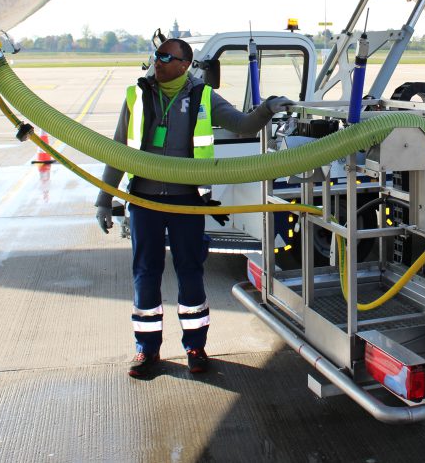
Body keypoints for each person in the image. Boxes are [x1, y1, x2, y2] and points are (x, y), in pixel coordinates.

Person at [95, 38, 292, 379]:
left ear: (184, 65)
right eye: (157, 55)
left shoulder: (203, 96)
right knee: (145, 274)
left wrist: (268, 108)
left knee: (190, 273)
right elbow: (117, 149)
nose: (158, 61)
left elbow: (242, 125)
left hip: (187, 202)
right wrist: (104, 199)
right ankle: (147, 350)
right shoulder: (137, 96)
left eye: (166, 56)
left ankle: (195, 347)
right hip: (144, 200)